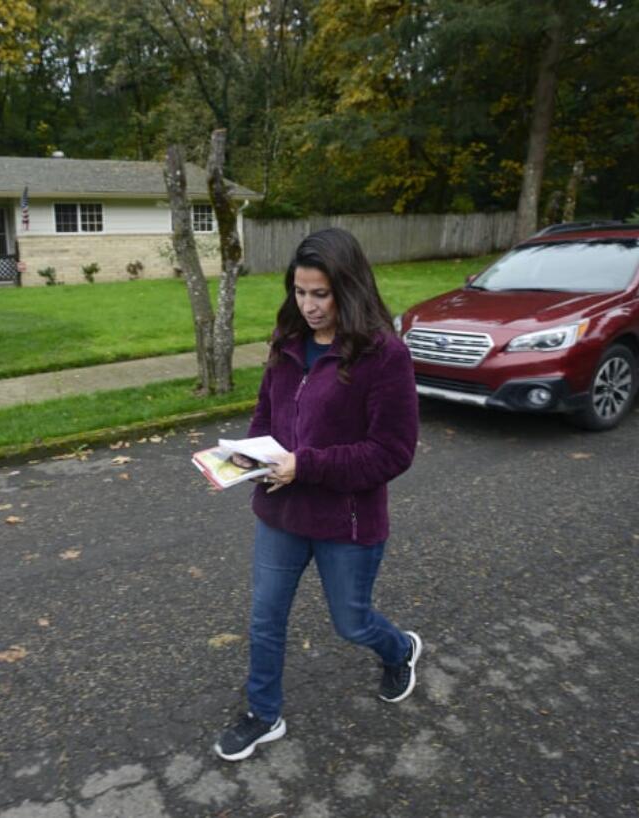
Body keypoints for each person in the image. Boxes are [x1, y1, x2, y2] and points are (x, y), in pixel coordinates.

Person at [214, 227, 421, 762]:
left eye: (320, 294)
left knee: (351, 623)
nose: (307, 306)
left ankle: (399, 649)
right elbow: (267, 413)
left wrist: (305, 465)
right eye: (300, 292)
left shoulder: (384, 356)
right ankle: (264, 713)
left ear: (348, 289)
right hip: (281, 509)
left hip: (345, 521)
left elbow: (392, 452)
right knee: (265, 618)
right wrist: (249, 457)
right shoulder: (287, 340)